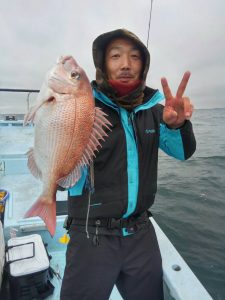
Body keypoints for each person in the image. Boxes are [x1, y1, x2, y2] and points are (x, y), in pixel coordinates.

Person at [60, 28, 196, 300]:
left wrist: (177, 125)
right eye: (115, 56)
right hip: (90, 234)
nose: (125, 64)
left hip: (141, 234)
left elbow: (183, 153)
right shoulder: (83, 105)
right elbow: (63, 168)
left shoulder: (155, 109)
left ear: (143, 65)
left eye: (135, 57)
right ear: (102, 63)